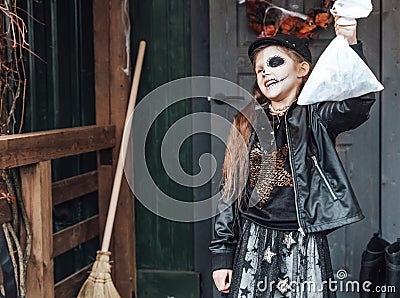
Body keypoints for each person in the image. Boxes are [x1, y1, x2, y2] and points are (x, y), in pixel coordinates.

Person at [209, 16, 376, 298]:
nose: (265, 73)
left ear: (301, 69)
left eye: (275, 63)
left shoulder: (317, 116)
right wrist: (222, 253)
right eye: (259, 69)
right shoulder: (246, 121)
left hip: (303, 240)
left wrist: (349, 43)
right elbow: (230, 189)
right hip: (253, 239)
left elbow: (359, 104)